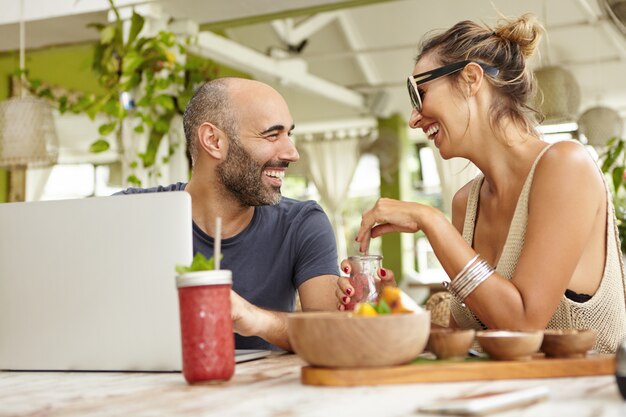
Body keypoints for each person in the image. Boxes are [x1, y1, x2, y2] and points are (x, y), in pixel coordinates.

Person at [337, 14, 626, 353]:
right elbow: (470, 342)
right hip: (497, 401)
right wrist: (386, 306)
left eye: (422, 93)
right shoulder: (467, 203)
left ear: (471, 78)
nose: (414, 117)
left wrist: (431, 221)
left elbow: (521, 324)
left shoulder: (566, 166)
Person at [117, 77, 339, 351]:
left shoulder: (302, 224)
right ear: (214, 141)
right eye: (272, 135)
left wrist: (254, 318)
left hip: (265, 391)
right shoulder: (128, 214)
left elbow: (333, 336)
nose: (292, 153)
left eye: (288, 134)